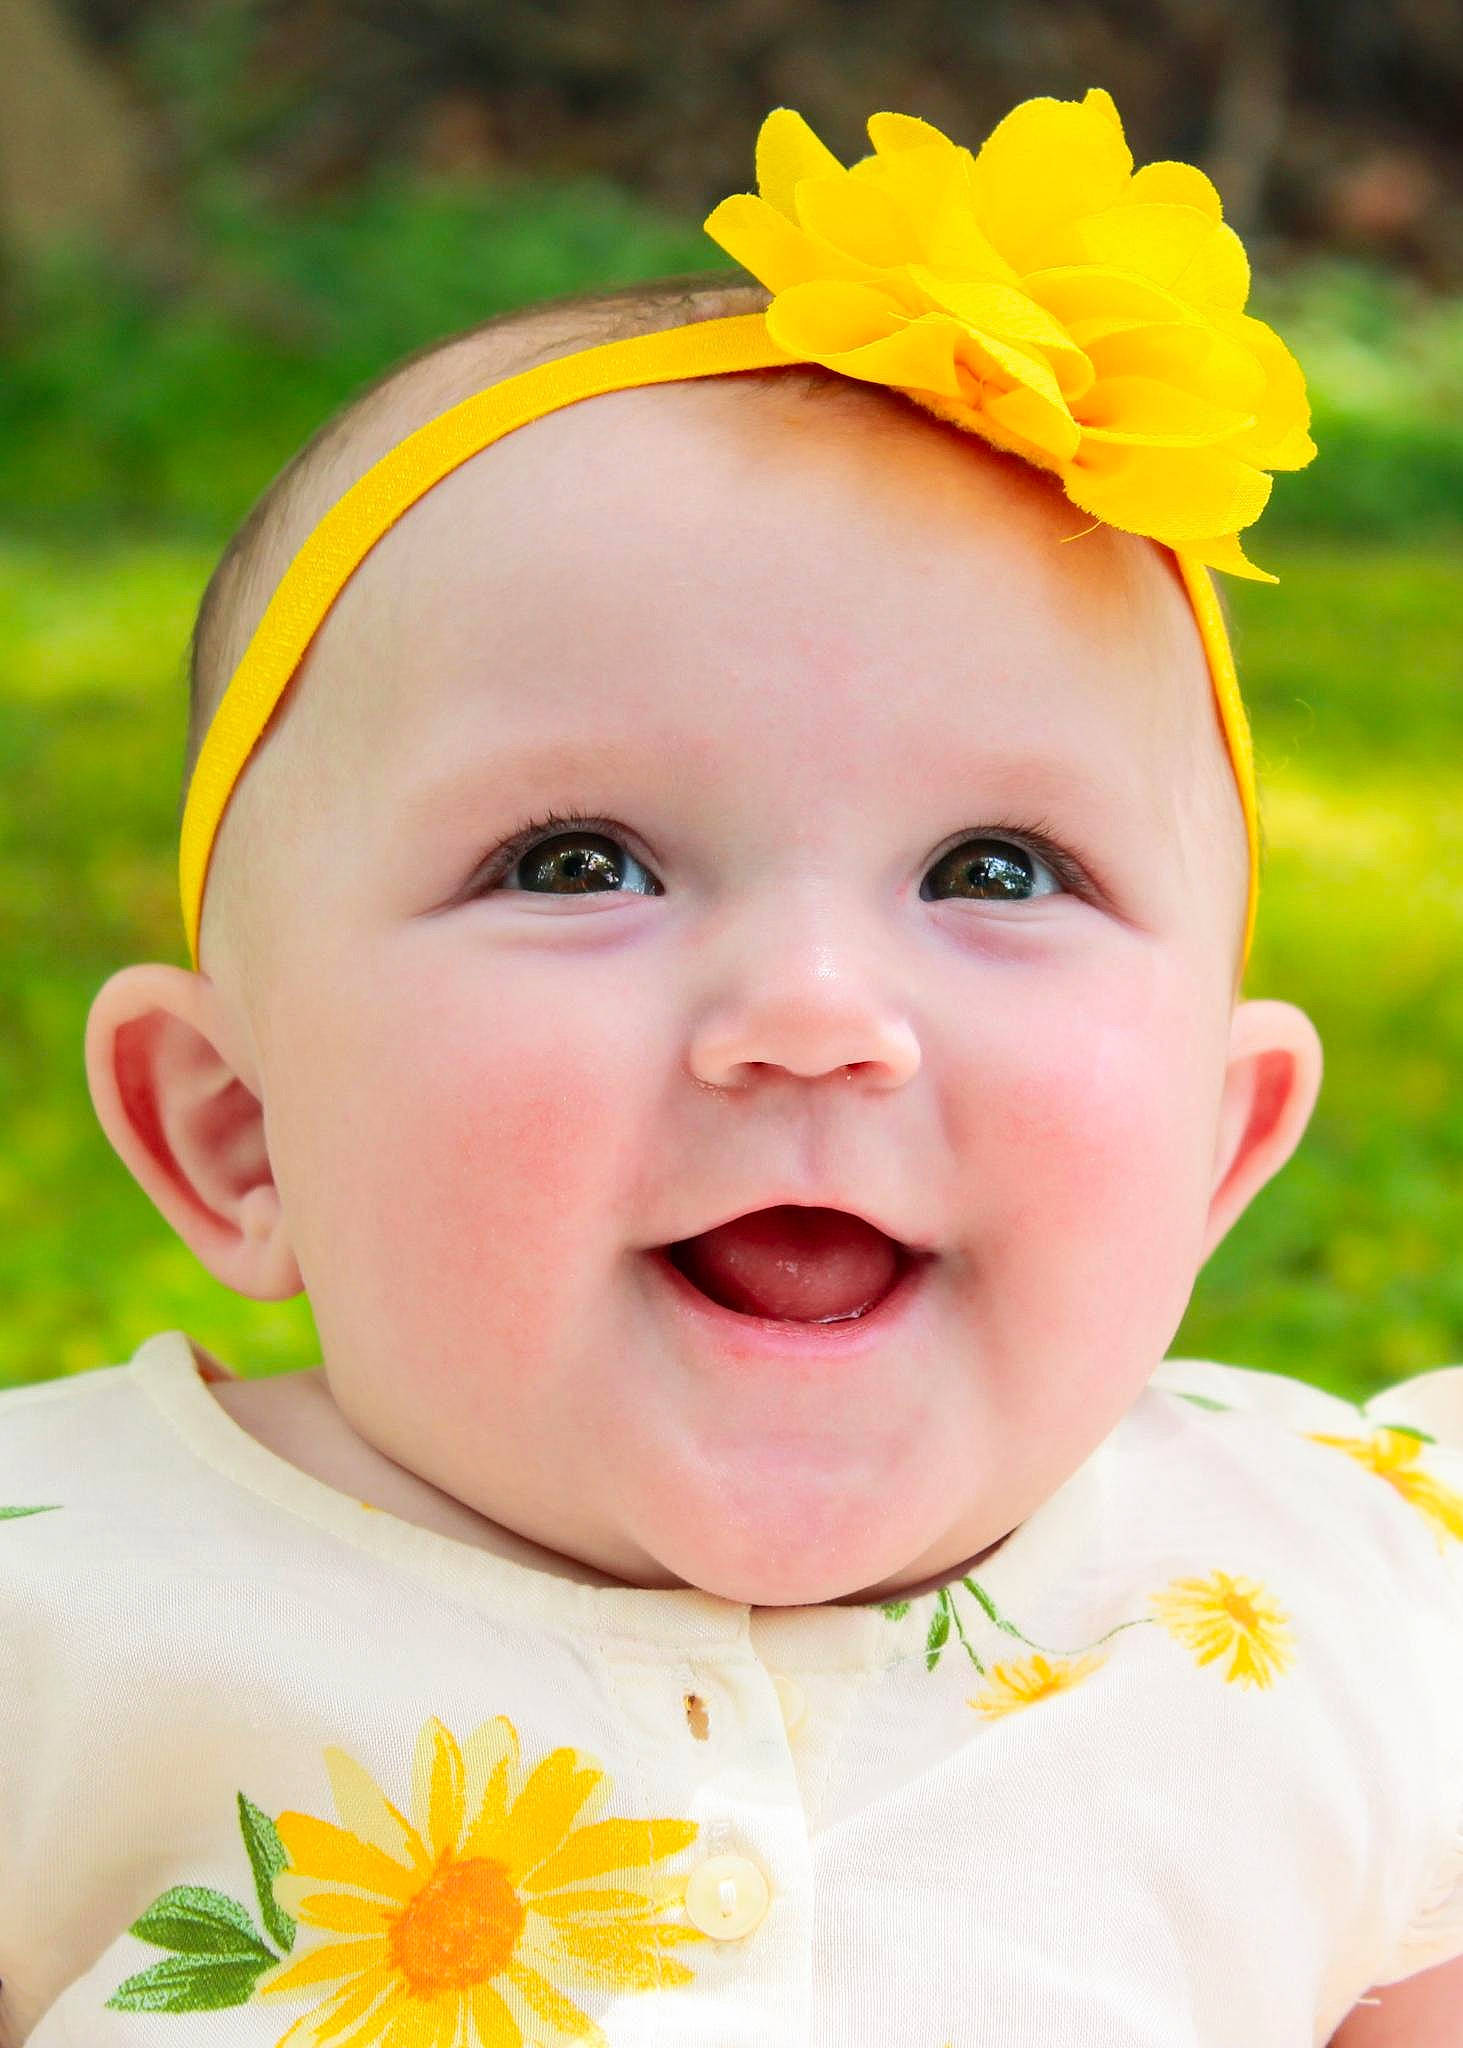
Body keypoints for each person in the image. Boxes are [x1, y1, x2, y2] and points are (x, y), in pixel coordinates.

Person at [2, 89, 1459, 2048]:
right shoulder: (62, 1603)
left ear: (1219, 1146)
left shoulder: (1347, 1593)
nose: (814, 1005)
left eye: (995, 869)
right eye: (579, 861)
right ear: (237, 1130)